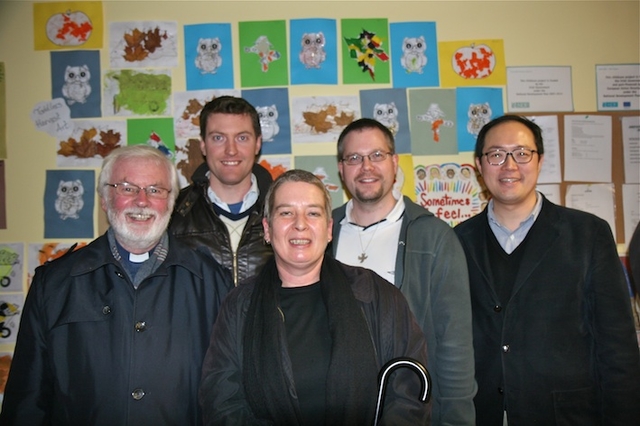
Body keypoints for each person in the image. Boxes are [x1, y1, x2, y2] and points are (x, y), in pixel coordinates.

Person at [0, 145, 232, 425]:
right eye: (127, 188)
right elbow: (27, 400)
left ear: (171, 202)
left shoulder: (212, 281)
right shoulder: (55, 284)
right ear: (104, 198)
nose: (142, 201)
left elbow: (229, 393)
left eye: (155, 190)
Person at [199, 169, 430, 425]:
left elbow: (409, 393)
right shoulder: (239, 306)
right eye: (286, 213)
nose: (300, 224)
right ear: (267, 228)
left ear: (329, 229)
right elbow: (221, 402)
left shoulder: (375, 294)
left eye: (313, 213)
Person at [454, 114, 640, 425]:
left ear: (539, 162)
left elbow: (617, 345)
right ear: (479, 165)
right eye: (496, 154)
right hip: (483, 412)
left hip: (567, 414)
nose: (509, 165)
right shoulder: (457, 241)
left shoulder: (587, 234)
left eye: (522, 153)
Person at [330, 118, 477, 425]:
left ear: (394, 163)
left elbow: (455, 345)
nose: (366, 167)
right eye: (354, 158)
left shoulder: (434, 238)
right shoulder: (321, 234)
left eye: (377, 156)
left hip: (412, 412)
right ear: (341, 168)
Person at [170, 96, 273, 286]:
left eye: (242, 138)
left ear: (258, 143)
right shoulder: (171, 214)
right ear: (203, 145)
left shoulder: (283, 210)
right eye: (218, 138)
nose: (231, 150)